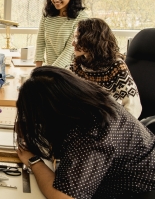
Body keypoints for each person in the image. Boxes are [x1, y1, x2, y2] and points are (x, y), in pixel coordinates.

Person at [15, 66, 155, 199]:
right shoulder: (91, 100)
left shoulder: (91, 134)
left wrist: (33, 161)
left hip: (138, 192)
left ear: (53, 110)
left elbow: (64, 197)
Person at [70, 18, 142, 119]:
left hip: (110, 120)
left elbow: (133, 106)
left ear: (91, 40)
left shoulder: (116, 66)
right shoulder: (77, 64)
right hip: (87, 118)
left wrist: (119, 128)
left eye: (77, 38)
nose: (73, 43)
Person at [35, 0, 88, 68]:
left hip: (69, 71)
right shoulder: (47, 14)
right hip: (51, 69)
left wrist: (51, 71)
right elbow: (40, 41)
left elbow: (70, 50)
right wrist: (37, 69)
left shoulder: (81, 17)